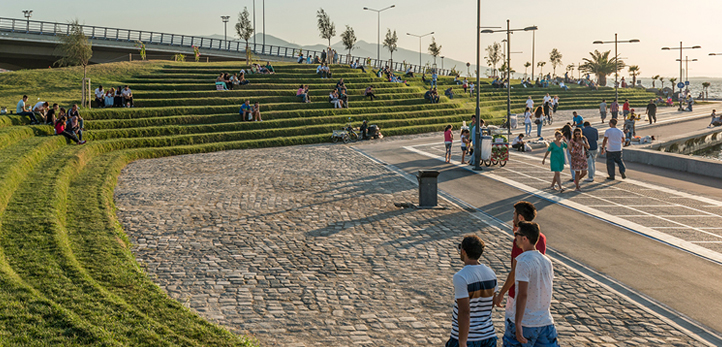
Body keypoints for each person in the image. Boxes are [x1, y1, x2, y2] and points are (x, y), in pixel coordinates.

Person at [493, 201, 547, 333]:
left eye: (514, 215)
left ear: (520, 218)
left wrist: (501, 293)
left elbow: (515, 271)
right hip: (536, 296)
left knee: (513, 333)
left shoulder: (520, 242)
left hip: (517, 295)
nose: (512, 217)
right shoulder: (541, 237)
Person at [503, 221, 559, 347]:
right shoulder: (547, 261)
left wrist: (517, 323)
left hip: (526, 323)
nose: (515, 236)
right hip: (545, 323)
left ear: (525, 238)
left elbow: (523, 294)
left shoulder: (523, 261)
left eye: (517, 234)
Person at [446, 234, 498, 347]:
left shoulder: (461, 277)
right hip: (488, 335)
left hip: (468, 337)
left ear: (463, 251)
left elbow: (464, 311)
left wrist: (462, 342)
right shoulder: (491, 273)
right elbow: (492, 302)